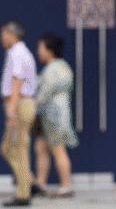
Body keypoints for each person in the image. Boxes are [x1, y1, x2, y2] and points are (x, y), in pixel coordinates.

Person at [32, 33, 79, 198]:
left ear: (49, 50)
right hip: (53, 116)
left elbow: (43, 94)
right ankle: (40, 184)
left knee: (58, 150)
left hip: (53, 116)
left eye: (40, 48)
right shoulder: (63, 67)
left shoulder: (53, 70)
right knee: (41, 147)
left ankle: (66, 186)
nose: (38, 52)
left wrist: (31, 105)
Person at [0, 21, 37, 207]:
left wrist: (11, 108)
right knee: (9, 149)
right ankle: (29, 181)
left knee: (17, 149)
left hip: (20, 104)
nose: (1, 39)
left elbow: (17, 80)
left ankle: (24, 193)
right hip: (21, 103)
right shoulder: (17, 52)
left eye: (3, 34)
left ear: (12, 35)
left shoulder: (18, 53)